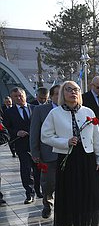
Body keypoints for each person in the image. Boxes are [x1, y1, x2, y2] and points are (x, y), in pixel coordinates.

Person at [41, 81, 99, 226]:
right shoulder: (55, 113)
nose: (73, 93)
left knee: (93, 194)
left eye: (76, 90)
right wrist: (65, 142)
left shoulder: (88, 111)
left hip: (88, 158)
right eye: (69, 90)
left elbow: (96, 138)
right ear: (63, 93)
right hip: (68, 159)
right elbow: (45, 136)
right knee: (74, 194)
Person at [3, 87, 41, 203]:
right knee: (26, 169)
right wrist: (16, 133)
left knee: (38, 168)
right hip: (21, 144)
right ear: (12, 98)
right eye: (16, 96)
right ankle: (29, 193)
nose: (19, 98)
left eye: (21, 95)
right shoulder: (9, 112)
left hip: (36, 144)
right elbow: (6, 128)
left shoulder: (35, 109)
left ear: (25, 95)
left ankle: (38, 190)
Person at [30, 84, 60, 218]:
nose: (60, 97)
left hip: (67, 153)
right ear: (51, 96)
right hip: (48, 153)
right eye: (57, 94)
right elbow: (34, 132)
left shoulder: (70, 109)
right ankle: (47, 204)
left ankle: (63, 206)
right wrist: (35, 152)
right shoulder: (40, 110)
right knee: (48, 182)